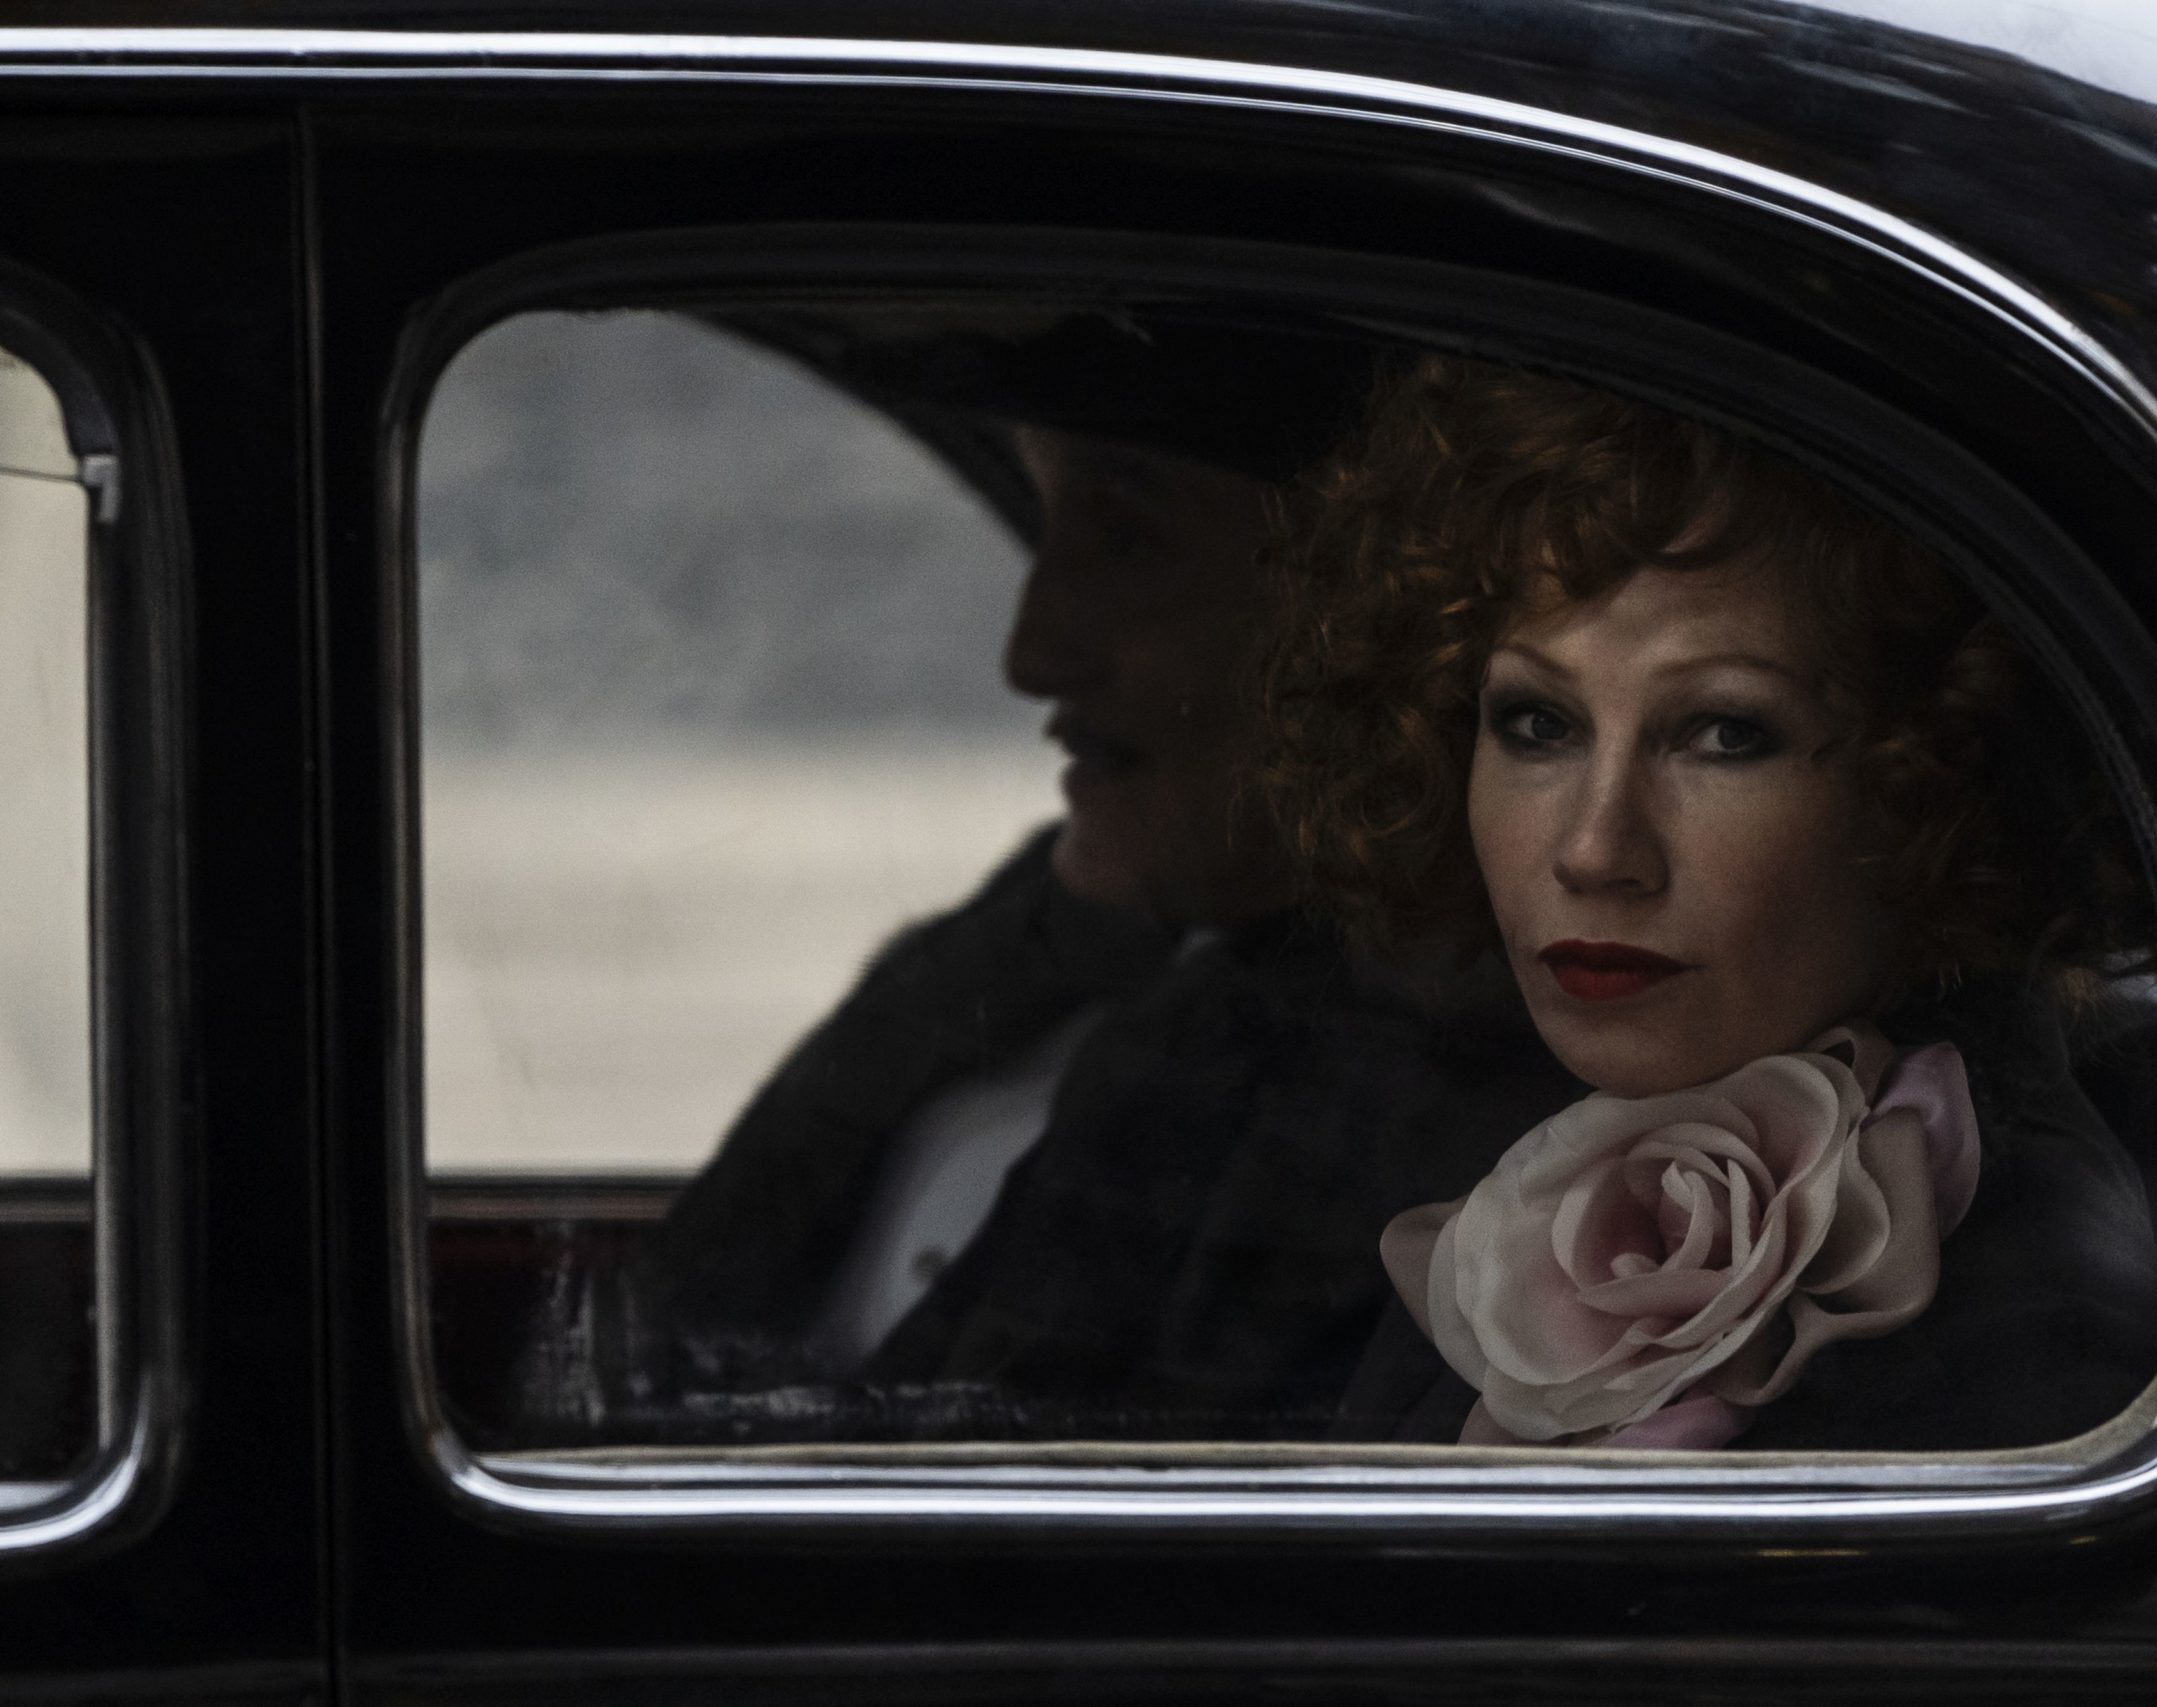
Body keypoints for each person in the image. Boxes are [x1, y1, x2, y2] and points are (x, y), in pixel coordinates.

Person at [509, 319, 1583, 1445]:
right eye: (1050, 522)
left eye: (1127, 538)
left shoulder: (1417, 1149)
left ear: (1385, 623)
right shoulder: (1060, 963)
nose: (1033, 651)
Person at [1263, 355, 2157, 1450]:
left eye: (1726, 734)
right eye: (1537, 724)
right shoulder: (1505, 1200)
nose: (1595, 849)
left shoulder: (2036, 1347)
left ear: (1944, 773)